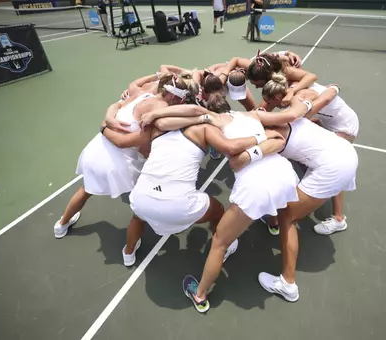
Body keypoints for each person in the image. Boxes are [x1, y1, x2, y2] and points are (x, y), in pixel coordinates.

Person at [138, 93, 316, 313]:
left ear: (208, 108)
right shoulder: (252, 114)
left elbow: (170, 121)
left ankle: (200, 294)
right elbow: (282, 125)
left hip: (256, 187)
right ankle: (273, 224)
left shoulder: (213, 119)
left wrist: (157, 113)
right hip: (284, 174)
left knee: (220, 243)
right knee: (286, 219)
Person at [226, 86, 358, 302]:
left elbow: (239, 161)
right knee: (293, 195)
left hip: (334, 168)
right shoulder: (292, 115)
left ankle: (287, 283)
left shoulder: (270, 134)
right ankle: (337, 218)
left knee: (289, 217)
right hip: (344, 153)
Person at [53, 74, 196, 239]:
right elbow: (124, 142)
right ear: (172, 95)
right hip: (117, 163)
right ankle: (141, 240)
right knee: (143, 197)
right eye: (181, 98)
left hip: (95, 151)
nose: (180, 102)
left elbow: (116, 105)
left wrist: (107, 120)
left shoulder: (142, 94)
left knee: (85, 190)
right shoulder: (160, 112)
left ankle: (62, 224)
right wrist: (104, 127)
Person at [259, 75, 359, 235]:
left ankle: (339, 218)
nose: (269, 107)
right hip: (328, 124)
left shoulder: (297, 101)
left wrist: (334, 89)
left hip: (344, 126)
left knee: (333, 163)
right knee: (317, 158)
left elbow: (321, 101)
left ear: (278, 97)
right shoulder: (296, 95)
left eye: (270, 102)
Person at [220, 51, 317, 107]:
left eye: (257, 84)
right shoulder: (255, 68)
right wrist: (224, 75)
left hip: (308, 95)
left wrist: (292, 91)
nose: (257, 87)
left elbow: (311, 76)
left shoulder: (285, 72)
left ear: (266, 79)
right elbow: (236, 59)